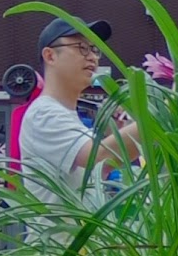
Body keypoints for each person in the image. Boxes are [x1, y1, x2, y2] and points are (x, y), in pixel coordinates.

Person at [14, 15, 139, 202]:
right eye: (82, 47)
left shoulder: (67, 115)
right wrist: (160, 115)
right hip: (66, 232)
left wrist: (121, 131)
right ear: (50, 55)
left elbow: (104, 166)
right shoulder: (44, 113)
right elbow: (96, 156)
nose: (93, 57)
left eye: (95, 49)